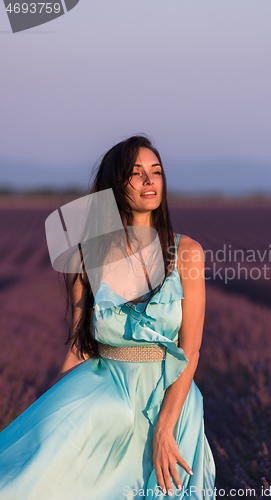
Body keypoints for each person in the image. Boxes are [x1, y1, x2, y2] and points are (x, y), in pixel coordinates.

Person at [0, 135, 216, 499]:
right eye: (137, 174)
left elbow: (190, 350)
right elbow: (79, 347)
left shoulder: (187, 253)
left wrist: (165, 427)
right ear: (115, 186)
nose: (150, 181)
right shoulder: (86, 259)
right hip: (105, 400)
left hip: (170, 403)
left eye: (156, 172)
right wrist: (57, 412)